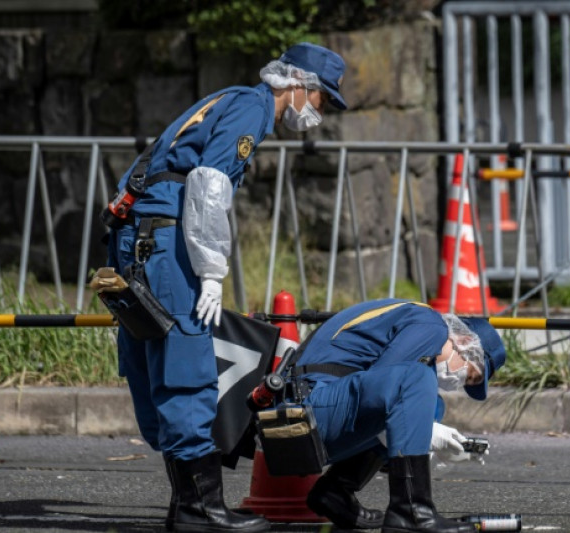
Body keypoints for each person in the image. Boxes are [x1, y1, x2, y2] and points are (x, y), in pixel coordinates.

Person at [105, 42, 347, 533]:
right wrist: (212, 271)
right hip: (167, 238)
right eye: (322, 101)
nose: (319, 114)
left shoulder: (228, 97)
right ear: (300, 85)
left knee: (153, 359)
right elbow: (210, 186)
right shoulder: (252, 109)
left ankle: (186, 505)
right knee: (188, 361)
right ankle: (201, 510)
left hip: (138, 235)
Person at [291, 298, 507, 533]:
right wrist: (427, 436)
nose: (460, 383)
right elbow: (388, 390)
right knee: (415, 379)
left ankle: (335, 491)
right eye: (470, 375)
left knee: (432, 404)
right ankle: (412, 512)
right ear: (464, 342)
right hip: (309, 410)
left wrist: (425, 439)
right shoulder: (431, 326)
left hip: (312, 410)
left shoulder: (415, 321)